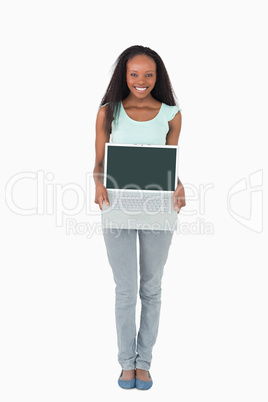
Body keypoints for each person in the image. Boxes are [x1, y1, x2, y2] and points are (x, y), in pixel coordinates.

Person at [93, 45, 186, 390]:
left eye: (148, 74)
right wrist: (98, 186)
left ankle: (143, 363)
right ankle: (125, 363)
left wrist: (179, 186)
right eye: (134, 74)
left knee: (151, 287)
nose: (141, 81)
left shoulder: (171, 114)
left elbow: (170, 163)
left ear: (157, 76)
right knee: (125, 289)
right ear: (124, 75)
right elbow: (98, 163)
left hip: (158, 203)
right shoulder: (108, 112)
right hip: (117, 201)